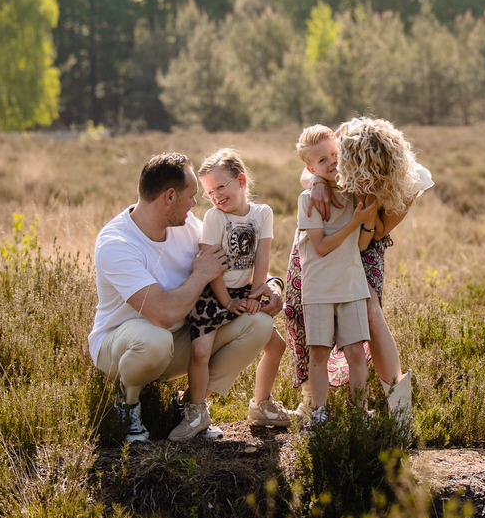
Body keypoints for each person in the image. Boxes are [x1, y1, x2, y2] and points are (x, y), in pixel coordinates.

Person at [88, 152, 280, 444]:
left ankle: (191, 406)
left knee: (260, 325)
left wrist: (272, 285)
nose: (196, 204)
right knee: (154, 339)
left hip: (174, 341)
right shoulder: (117, 244)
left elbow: (230, 265)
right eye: (192, 196)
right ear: (169, 197)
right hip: (121, 347)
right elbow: (162, 314)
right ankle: (127, 405)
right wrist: (200, 275)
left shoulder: (187, 224)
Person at [284, 117, 433, 418]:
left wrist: (368, 205)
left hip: (368, 237)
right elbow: (312, 167)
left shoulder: (409, 182)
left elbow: (376, 234)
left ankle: (398, 407)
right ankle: (311, 400)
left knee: (370, 312)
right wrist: (316, 184)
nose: (358, 178)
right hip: (329, 231)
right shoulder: (347, 140)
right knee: (306, 310)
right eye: (354, 171)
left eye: (371, 176)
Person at [171, 149, 287, 440]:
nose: (217, 196)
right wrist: (228, 302)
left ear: (241, 181)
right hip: (214, 292)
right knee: (200, 351)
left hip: (245, 291)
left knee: (276, 346)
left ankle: (262, 404)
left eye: (221, 186)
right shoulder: (214, 218)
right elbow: (212, 267)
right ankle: (195, 411)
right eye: (210, 192)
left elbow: (263, 256)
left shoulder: (262, 214)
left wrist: (256, 292)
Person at [294, 125, 378, 426]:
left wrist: (365, 220)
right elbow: (321, 246)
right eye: (321, 161)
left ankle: (358, 414)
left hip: (352, 284)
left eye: (334, 154)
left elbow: (361, 244)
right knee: (318, 355)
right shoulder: (310, 199)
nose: (331, 162)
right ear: (310, 168)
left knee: (356, 353)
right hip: (319, 288)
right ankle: (317, 414)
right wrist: (355, 219)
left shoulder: (355, 192)